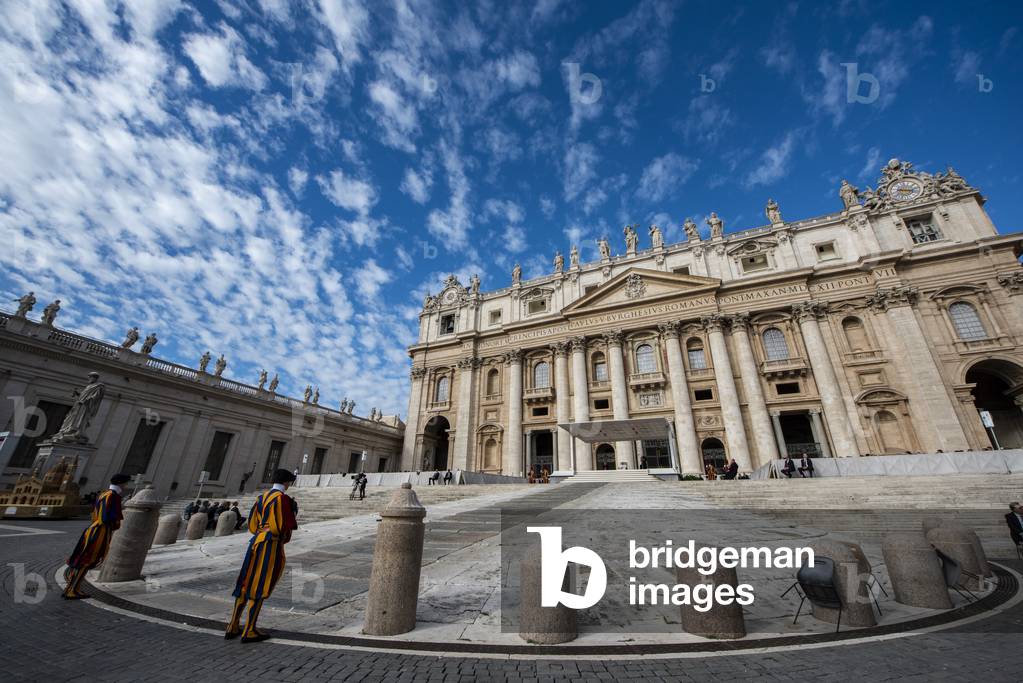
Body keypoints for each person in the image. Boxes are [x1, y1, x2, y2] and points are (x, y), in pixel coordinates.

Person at [225, 468, 298, 643]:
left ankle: (233, 625)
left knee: (245, 581)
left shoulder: (261, 498)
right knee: (261, 582)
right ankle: (249, 630)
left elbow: (251, 524)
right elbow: (284, 526)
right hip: (270, 544)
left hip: (255, 542)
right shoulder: (283, 499)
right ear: (287, 483)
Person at [62, 473, 130, 599]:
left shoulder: (103, 494)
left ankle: (72, 588)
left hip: (92, 529)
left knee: (82, 558)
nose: (126, 486)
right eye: (126, 483)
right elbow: (108, 518)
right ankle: (72, 590)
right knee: (87, 560)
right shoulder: (114, 497)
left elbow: (95, 514)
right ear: (122, 483)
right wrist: (115, 524)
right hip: (101, 531)